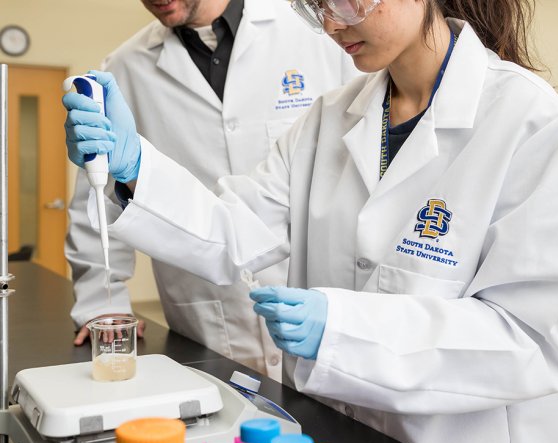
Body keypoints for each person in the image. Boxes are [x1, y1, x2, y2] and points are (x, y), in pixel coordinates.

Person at [63, 0, 558, 443]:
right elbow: (233, 229)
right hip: (337, 423)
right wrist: (136, 171)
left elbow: (526, 338)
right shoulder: (329, 117)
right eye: (315, 5)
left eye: (343, 0)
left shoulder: (528, 120)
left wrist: (340, 327)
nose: (331, 24)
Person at [65, 0, 359, 380]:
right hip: (205, 316)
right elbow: (99, 190)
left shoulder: (315, 32)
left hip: (318, 304)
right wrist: (100, 299)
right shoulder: (125, 66)